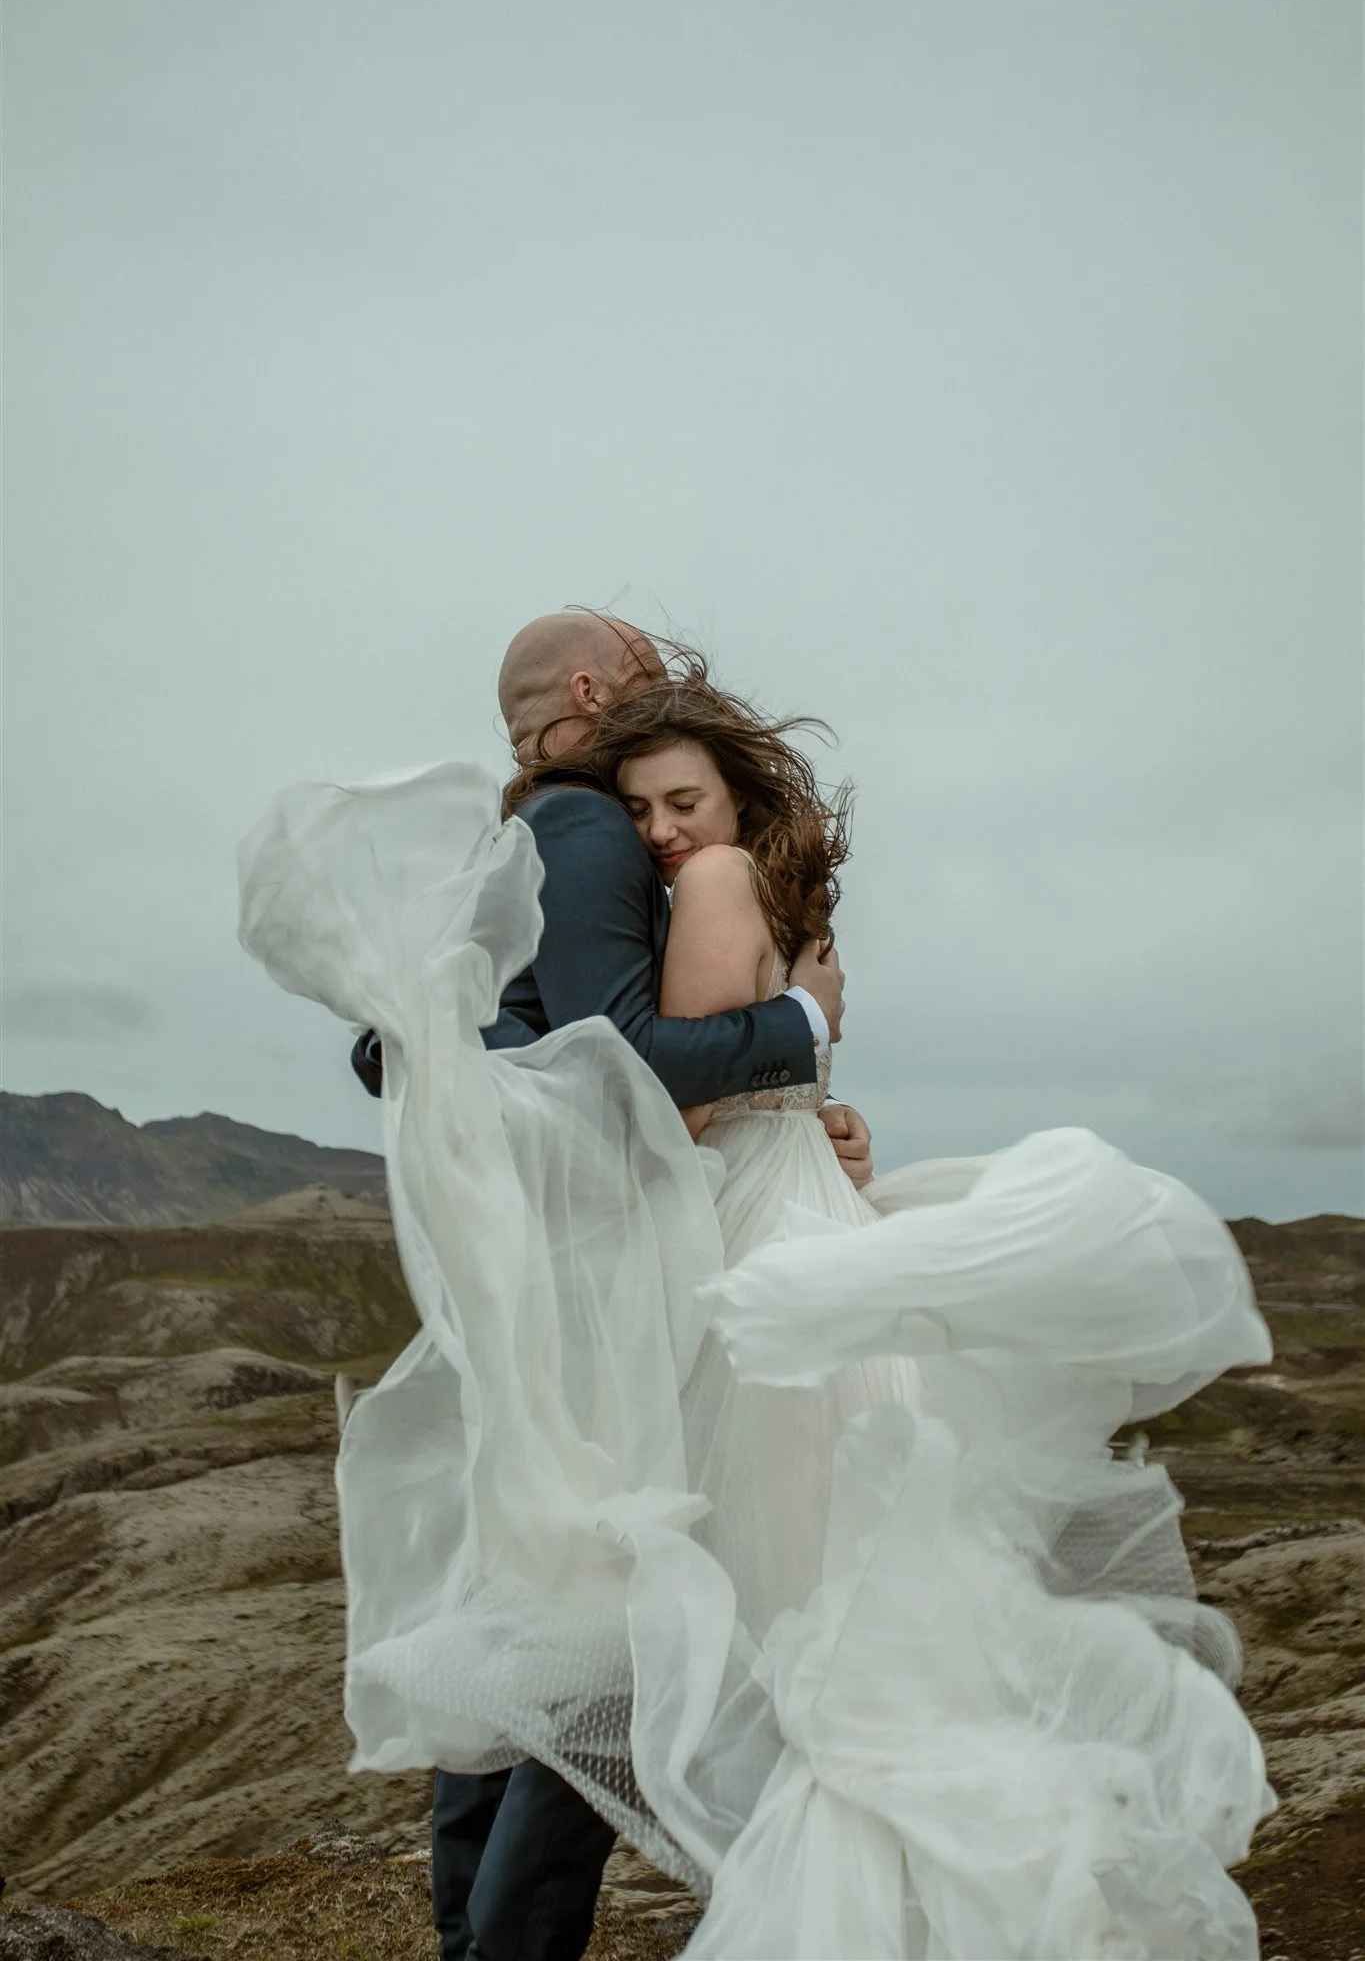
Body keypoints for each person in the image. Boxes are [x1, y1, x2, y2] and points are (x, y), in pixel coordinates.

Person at [238, 645, 1273, 1961]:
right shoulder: (687, 872)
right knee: (657, 1639)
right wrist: (800, 1036)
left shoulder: (698, 878)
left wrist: (789, 1066)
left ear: (738, 802)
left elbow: (663, 1090)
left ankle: (505, 1936)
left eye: (684, 804)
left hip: (730, 1275)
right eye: (646, 808)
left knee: (624, 1631)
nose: (659, 830)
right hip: (739, 1251)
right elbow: (660, 1073)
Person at [343, 612, 870, 1961]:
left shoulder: (501, 847)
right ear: (595, 688)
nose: (680, 692)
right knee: (619, 1640)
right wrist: (798, 1035)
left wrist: (801, 1116)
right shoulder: (581, 832)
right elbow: (630, 1065)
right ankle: (502, 1941)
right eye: (658, 672)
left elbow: (387, 1050)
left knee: (549, 1612)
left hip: (539, 1276)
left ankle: (478, 1933)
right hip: (610, 1286)